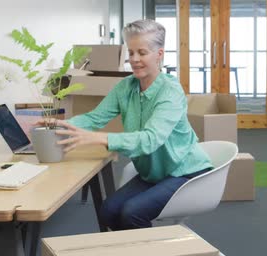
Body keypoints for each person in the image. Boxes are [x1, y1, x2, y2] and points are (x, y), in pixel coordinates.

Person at [40, 19, 213, 231]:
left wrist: (100, 138)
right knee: (108, 211)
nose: (135, 59)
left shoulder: (171, 92)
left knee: (132, 213)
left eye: (142, 52)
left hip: (184, 172)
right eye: (131, 53)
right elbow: (95, 118)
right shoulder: (125, 87)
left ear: (159, 54)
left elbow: (150, 139)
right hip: (153, 173)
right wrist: (60, 126)